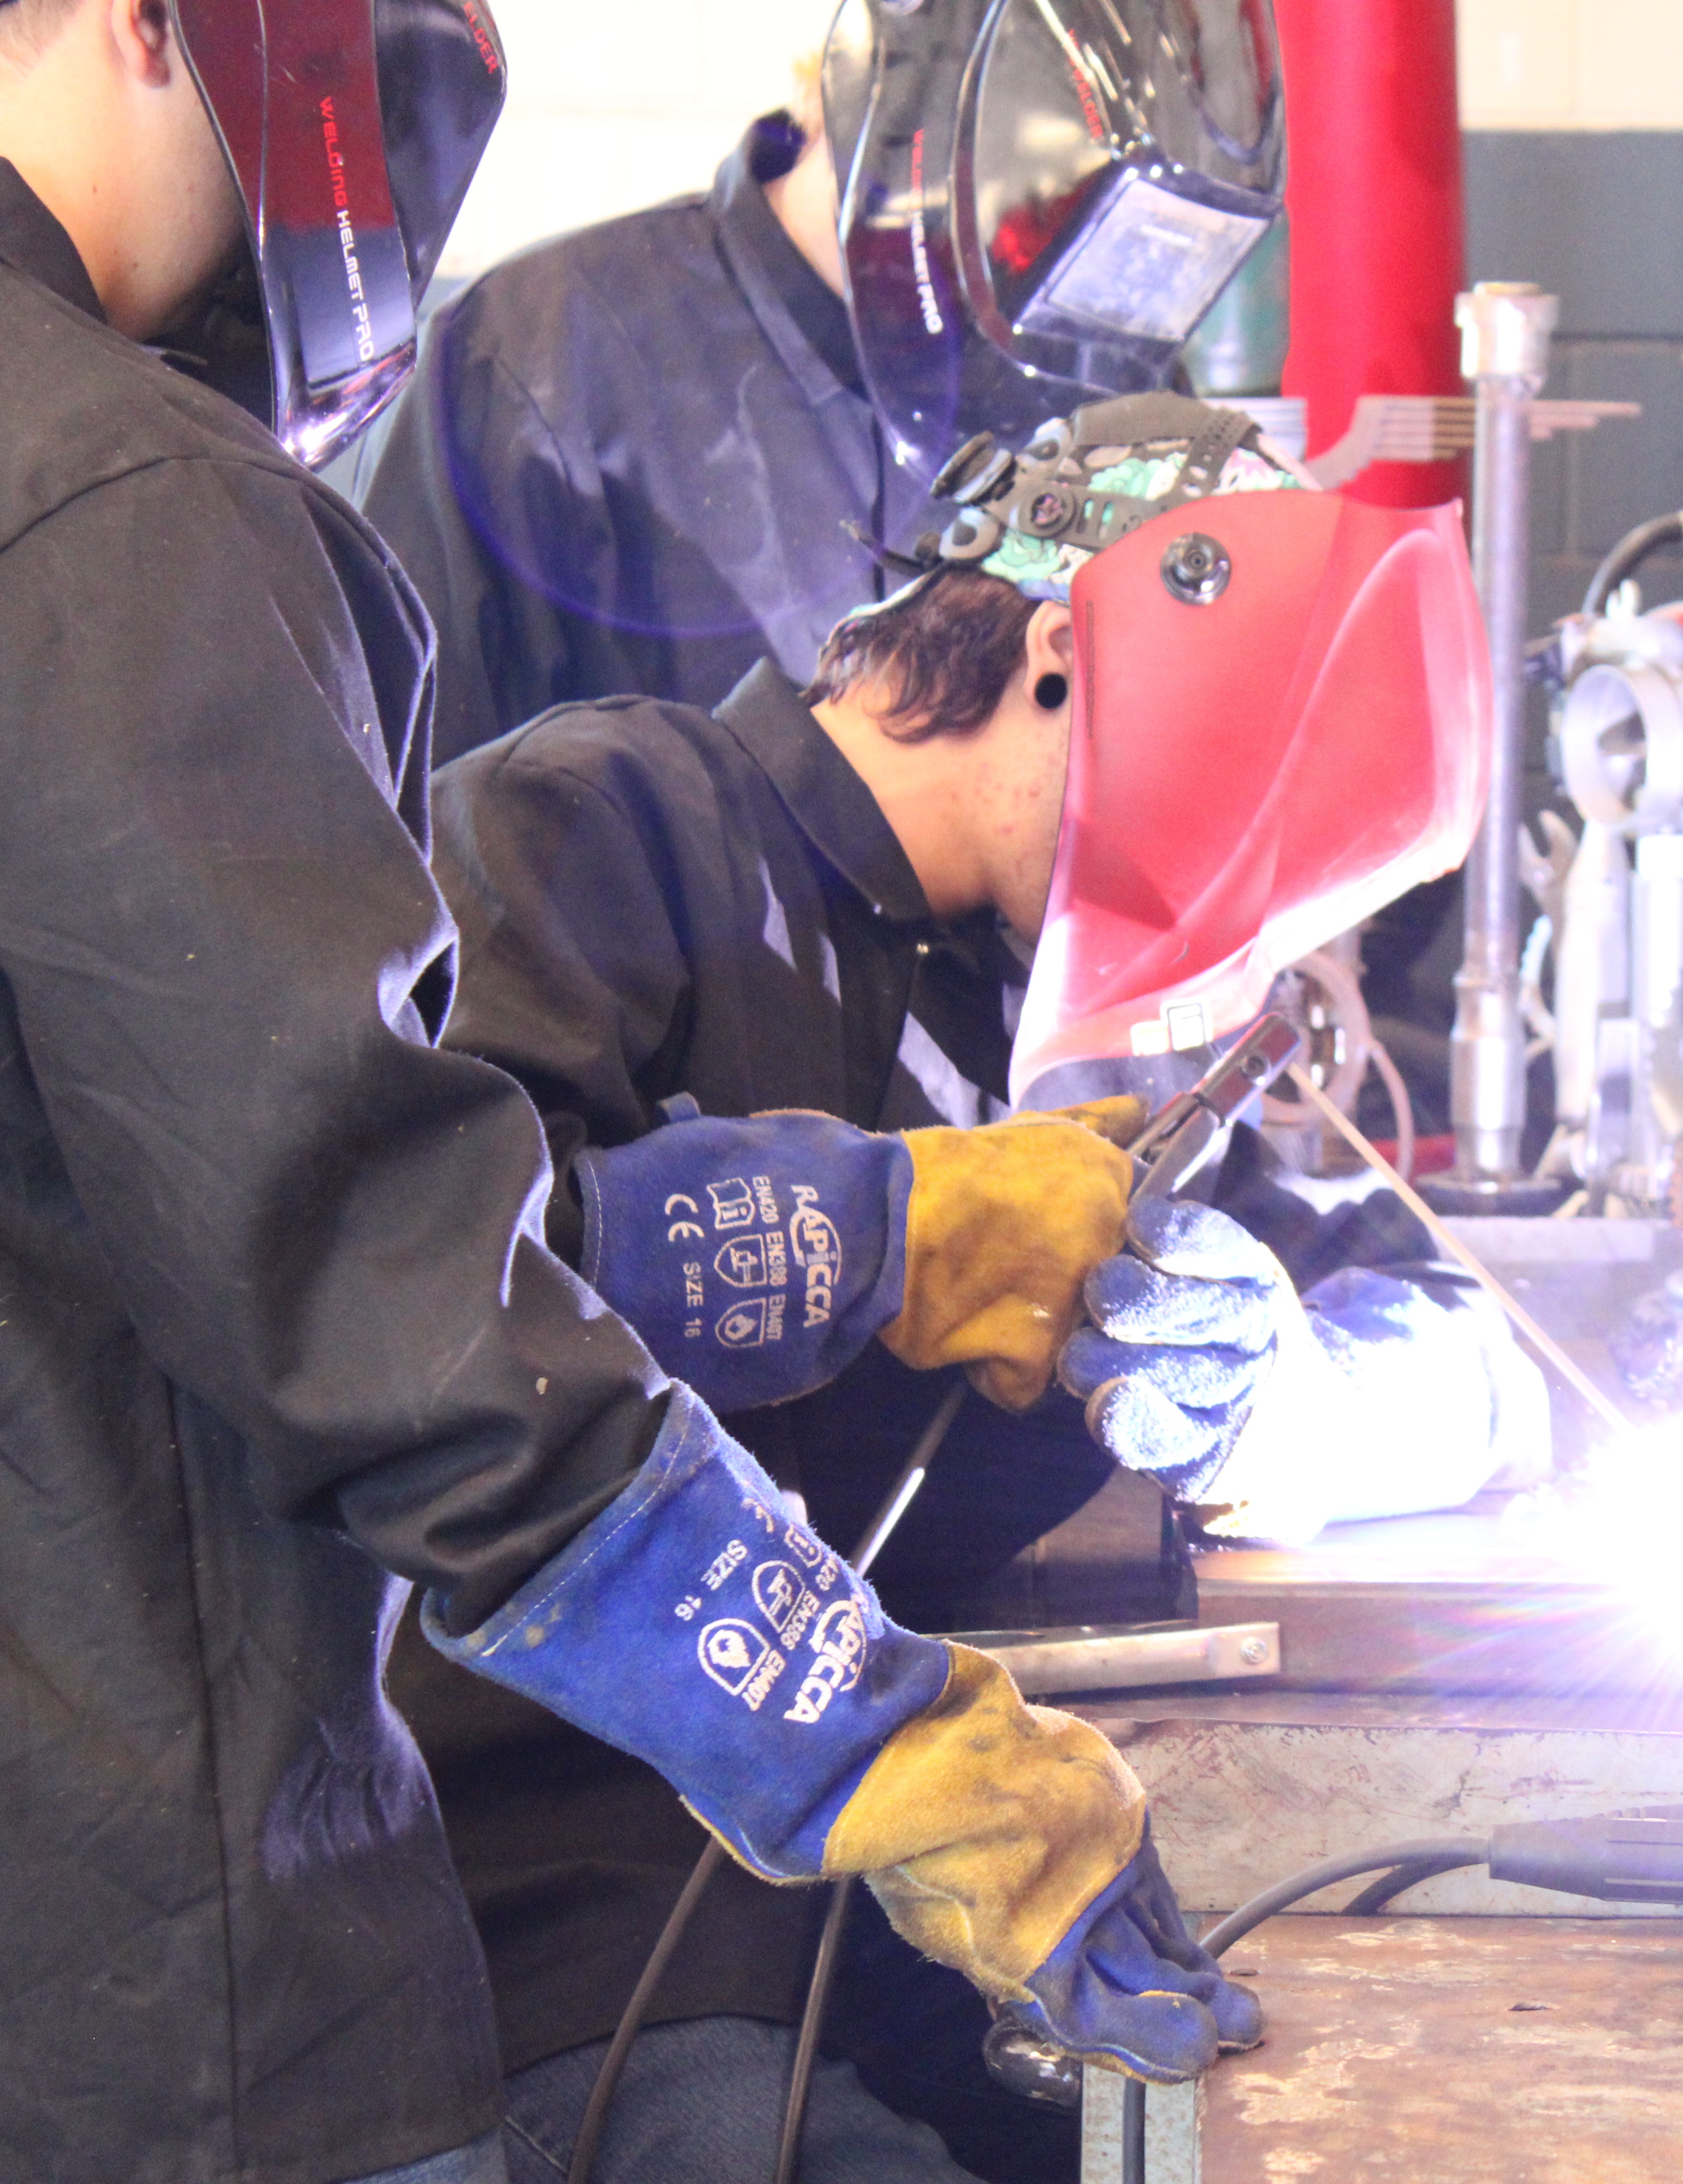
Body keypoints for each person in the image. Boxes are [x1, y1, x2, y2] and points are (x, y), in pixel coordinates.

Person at [0, 8, 1262, 2183]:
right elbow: (386, 1277)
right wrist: (860, 1728)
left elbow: (243, 1180)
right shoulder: (119, 500)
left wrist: (950, 1268)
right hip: (177, 1995)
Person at [400, 392, 1553, 2179]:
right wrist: (851, 1231)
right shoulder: (605, 825)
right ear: (1054, 661)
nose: (1204, 941)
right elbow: (392, 1286)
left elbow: (1483, 1359)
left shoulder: (1038, 1023)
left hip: (911, 1913)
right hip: (565, 1901)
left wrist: (1298, 1406)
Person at [362, 0, 1288, 766]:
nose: (1058, 346)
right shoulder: (542, 362)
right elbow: (415, 867)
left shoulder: (1094, 384)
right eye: (1040, 223)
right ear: (916, 114)